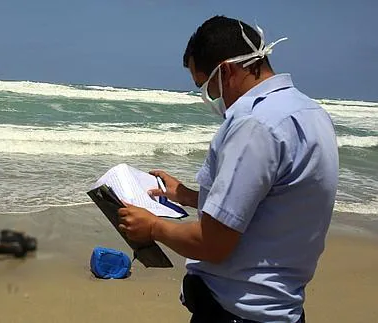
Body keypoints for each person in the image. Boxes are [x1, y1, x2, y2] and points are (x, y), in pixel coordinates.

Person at [117, 16, 338, 323]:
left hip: (237, 313)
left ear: (226, 71)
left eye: (205, 85)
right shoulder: (310, 113)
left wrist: (152, 227)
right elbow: (274, 200)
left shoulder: (254, 124)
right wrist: (188, 196)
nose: (210, 97)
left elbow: (213, 244)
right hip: (281, 309)